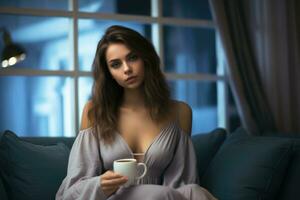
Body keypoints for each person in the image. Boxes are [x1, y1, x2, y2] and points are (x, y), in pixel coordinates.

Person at [56, 25, 217, 200]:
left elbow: (182, 182)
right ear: (108, 72)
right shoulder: (94, 111)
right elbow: (72, 191)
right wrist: (100, 184)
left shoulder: (179, 112)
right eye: (115, 64)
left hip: (165, 197)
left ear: (146, 58)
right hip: (116, 197)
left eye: (132, 58)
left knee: (194, 191)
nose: (127, 69)